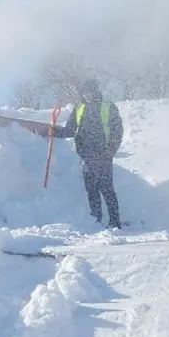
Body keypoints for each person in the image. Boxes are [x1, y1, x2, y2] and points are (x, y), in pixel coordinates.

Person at [59, 79, 124, 229]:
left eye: (89, 91)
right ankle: (96, 221)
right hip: (86, 156)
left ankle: (115, 222)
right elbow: (70, 130)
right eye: (84, 92)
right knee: (91, 190)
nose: (87, 94)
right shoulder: (79, 108)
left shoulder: (108, 107)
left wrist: (111, 150)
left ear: (96, 91)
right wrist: (54, 132)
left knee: (107, 189)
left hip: (103, 155)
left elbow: (117, 131)